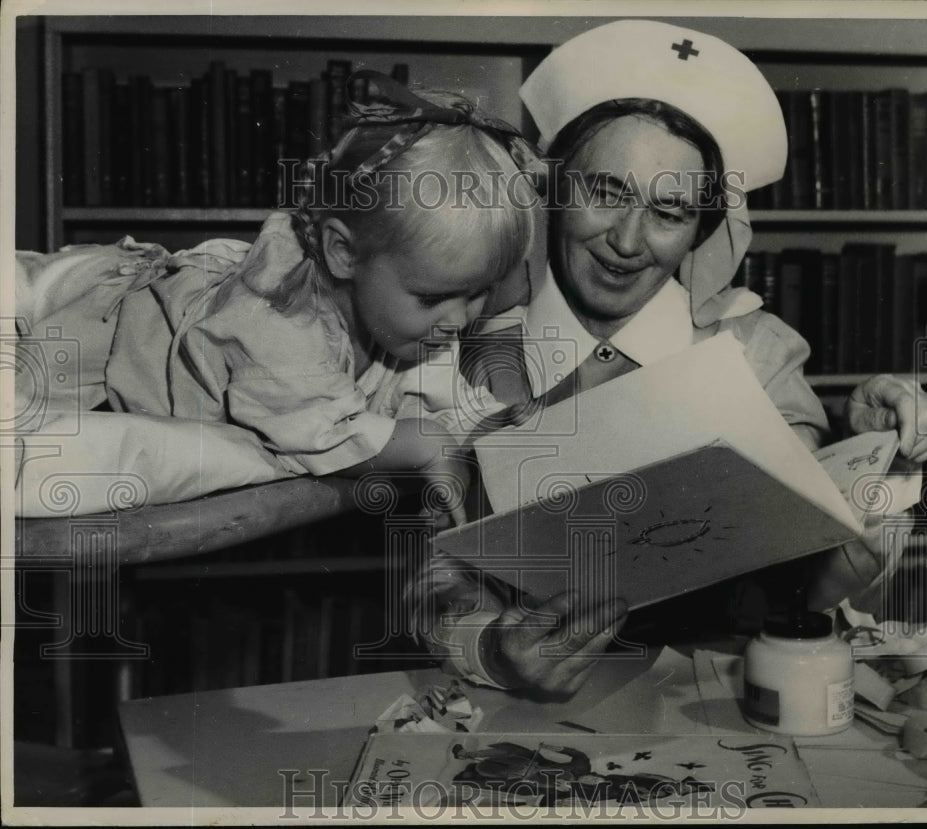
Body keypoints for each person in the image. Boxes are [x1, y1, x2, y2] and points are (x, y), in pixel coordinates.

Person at [409, 20, 927, 694]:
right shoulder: (464, 349)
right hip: (523, 713)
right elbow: (430, 577)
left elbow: (820, 573)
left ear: (703, 227)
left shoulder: (757, 352)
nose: (628, 241)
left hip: (720, 711)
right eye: (606, 192)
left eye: (669, 210)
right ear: (554, 189)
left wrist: (867, 453)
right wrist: (490, 649)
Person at [15, 73, 540, 516]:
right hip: (108, 341)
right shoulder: (277, 326)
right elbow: (321, 435)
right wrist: (426, 443)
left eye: (477, 296)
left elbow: (446, 369)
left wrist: (482, 418)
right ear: (341, 252)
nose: (459, 319)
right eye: (435, 299)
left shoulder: (399, 305)